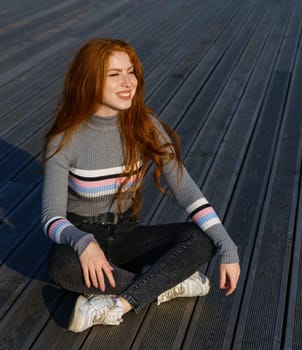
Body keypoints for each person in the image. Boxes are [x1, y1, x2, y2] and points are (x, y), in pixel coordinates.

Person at [41, 38, 240, 333]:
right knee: (61, 267)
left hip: (127, 234)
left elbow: (186, 190)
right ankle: (167, 281)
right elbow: (51, 217)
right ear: (89, 80)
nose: (127, 82)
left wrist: (228, 246)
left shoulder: (143, 124)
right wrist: (82, 242)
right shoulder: (65, 138)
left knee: (202, 239)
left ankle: (116, 304)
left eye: (131, 71)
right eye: (114, 74)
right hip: (85, 240)